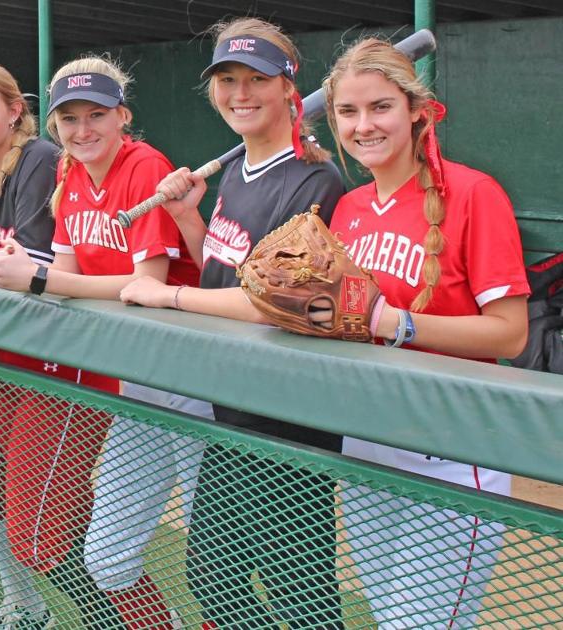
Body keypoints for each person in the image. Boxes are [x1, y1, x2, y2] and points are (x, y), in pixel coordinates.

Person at [119, 18, 346, 629]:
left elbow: (273, 301)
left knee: (299, 588)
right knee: (212, 575)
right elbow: (226, 271)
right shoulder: (239, 175)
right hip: (231, 400)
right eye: (226, 80)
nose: (239, 94)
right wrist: (192, 220)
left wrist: (166, 297)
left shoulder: (314, 181)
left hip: (287, 409)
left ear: (288, 90)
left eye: (256, 80)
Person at [0, 56, 201, 629]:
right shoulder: (69, 174)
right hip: (135, 379)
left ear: (122, 116)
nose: (83, 130)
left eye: (96, 115)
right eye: (69, 119)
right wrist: (35, 274)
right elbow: (69, 271)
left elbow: (145, 285)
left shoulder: (145, 165)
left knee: (215, 557)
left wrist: (37, 278)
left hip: (194, 373)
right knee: (106, 555)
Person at [319, 38, 528, 628]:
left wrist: (399, 324)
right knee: (390, 618)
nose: (364, 126)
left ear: (416, 109)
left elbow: (510, 335)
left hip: (454, 446)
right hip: (367, 438)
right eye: (348, 112)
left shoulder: (474, 193)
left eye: (380, 107)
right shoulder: (349, 207)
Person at [0, 61, 122, 630]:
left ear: (15, 111)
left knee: (44, 524)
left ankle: (142, 622)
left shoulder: (40, 160)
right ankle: (26, 604)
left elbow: (23, 269)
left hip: (51, 362)